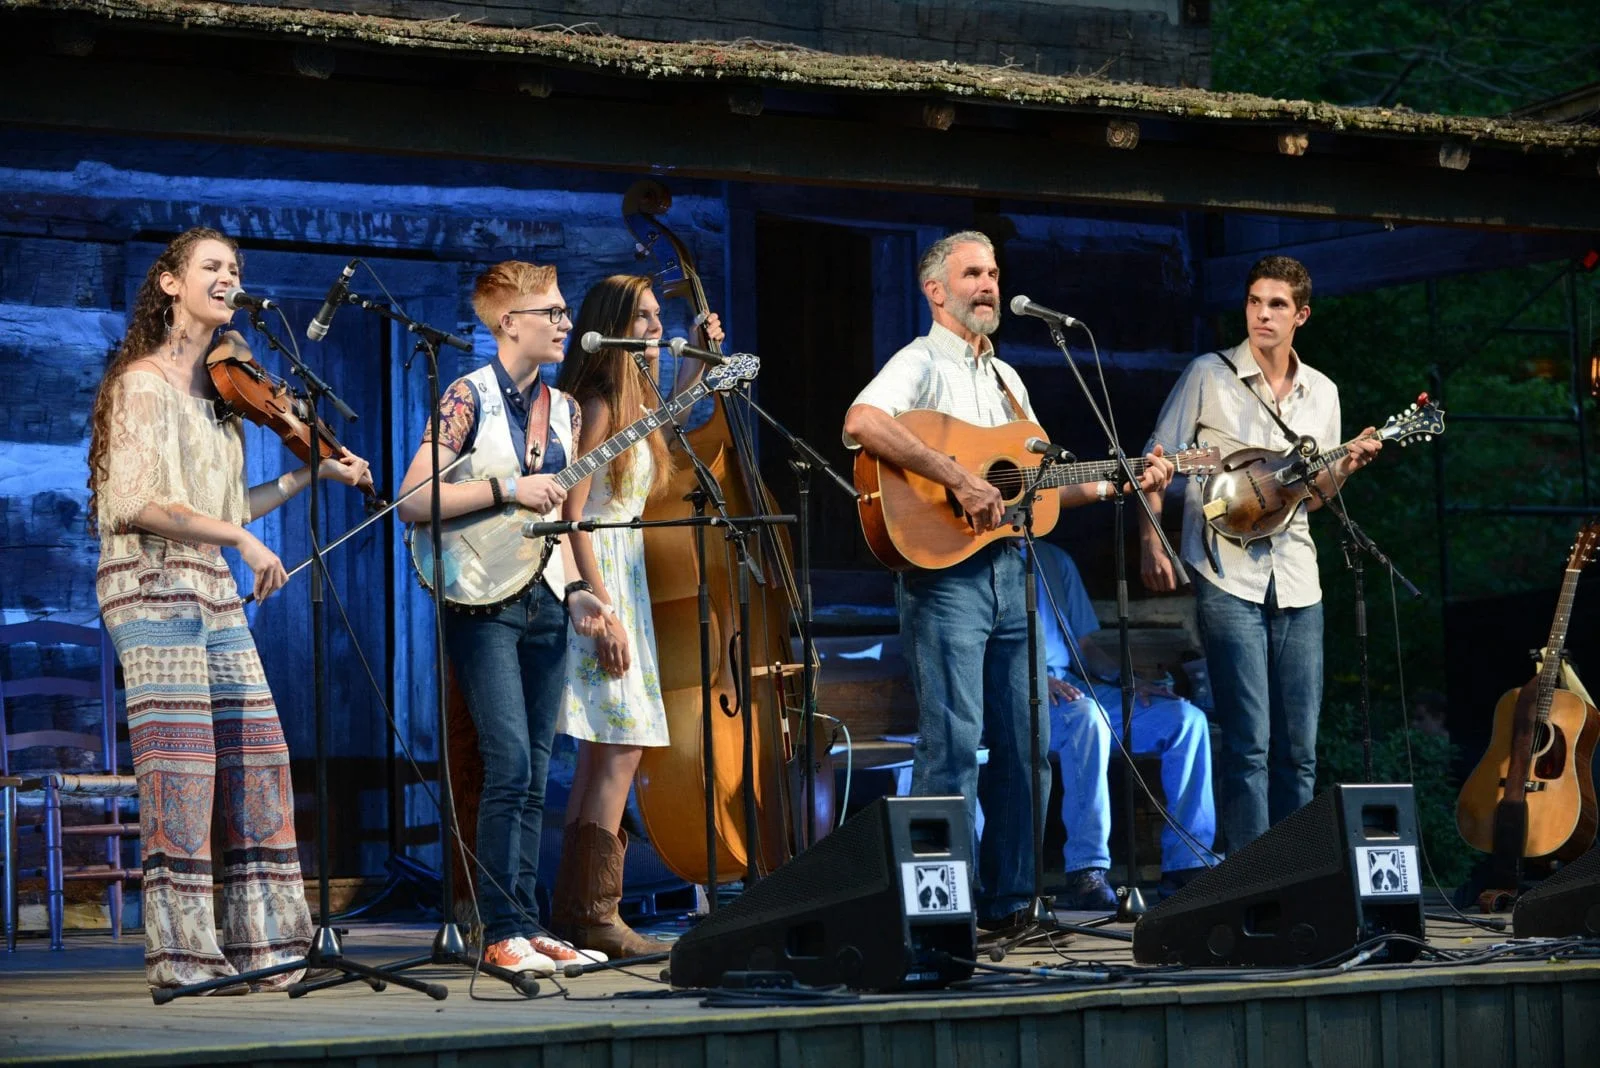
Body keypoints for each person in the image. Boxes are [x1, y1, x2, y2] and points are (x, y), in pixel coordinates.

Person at [841, 230, 1173, 929]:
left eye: (993, 272)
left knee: (1028, 742)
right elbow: (862, 421)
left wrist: (1120, 483)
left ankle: (1012, 899)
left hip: (1012, 572)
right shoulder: (920, 362)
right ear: (936, 291)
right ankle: (938, 911)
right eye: (971, 274)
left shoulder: (1007, 378)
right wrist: (957, 476)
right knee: (954, 743)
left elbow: (1036, 488)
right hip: (947, 578)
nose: (988, 284)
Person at [87, 227, 372, 992]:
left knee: (258, 755)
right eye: (212, 266)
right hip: (147, 581)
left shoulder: (221, 396)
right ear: (172, 284)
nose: (229, 276)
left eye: (236, 269)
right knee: (182, 764)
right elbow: (140, 504)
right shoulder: (140, 385)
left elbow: (225, 507)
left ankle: (267, 947)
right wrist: (241, 544)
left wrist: (313, 475)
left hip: (208, 577)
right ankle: (183, 957)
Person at [396, 260, 609, 978]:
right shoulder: (468, 396)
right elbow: (414, 500)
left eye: (563, 311)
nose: (565, 324)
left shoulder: (570, 412)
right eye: (550, 312)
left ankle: (527, 919)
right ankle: (496, 927)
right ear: (506, 323)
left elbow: (568, 522)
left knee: (539, 768)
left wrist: (583, 591)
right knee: (509, 762)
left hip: (546, 598)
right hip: (481, 600)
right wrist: (506, 488)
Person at [1140, 255, 1382, 853]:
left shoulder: (1321, 392)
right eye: (1254, 302)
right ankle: (1248, 877)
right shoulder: (1209, 374)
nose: (1262, 315)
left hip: (1299, 577)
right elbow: (1153, 462)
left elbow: (1315, 499)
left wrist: (1345, 467)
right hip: (1226, 576)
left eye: (1276, 305)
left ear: (1300, 315)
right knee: (1248, 741)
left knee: (1299, 749)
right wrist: (1152, 540)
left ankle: (1296, 870)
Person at [548, 275, 721, 958]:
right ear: (613, 324)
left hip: (628, 577)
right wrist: (601, 605)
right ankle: (596, 913)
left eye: (658, 317)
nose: (655, 327)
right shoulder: (595, 404)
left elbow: (673, 415)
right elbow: (573, 513)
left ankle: (580, 911)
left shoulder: (633, 402)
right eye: (644, 318)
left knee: (607, 748)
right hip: (603, 581)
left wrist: (697, 364)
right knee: (619, 742)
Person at [1032, 541, 1214, 908]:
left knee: (1187, 721)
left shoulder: (1054, 558)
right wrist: (1032, 679)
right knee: (1087, 718)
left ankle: (1187, 865)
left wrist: (1128, 680)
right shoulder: (979, 559)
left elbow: (1085, 647)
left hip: (1075, 685)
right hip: (1024, 695)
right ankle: (1086, 871)